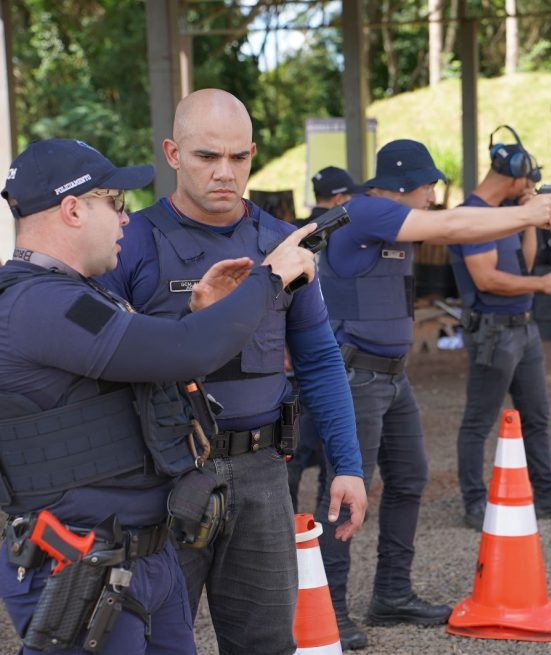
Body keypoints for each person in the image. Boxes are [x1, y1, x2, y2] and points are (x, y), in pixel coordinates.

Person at [0, 138, 319, 654]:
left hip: (142, 557)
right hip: (81, 566)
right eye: (115, 203)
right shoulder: (39, 304)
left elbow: (151, 368)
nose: (126, 219)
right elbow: (184, 352)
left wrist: (198, 315)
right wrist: (271, 277)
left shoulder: (80, 294)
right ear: (73, 209)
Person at [99, 89, 368, 655]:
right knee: (150, 641)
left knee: (267, 643)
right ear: (172, 154)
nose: (225, 172)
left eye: (238, 158)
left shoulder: (280, 243)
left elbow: (319, 360)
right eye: (206, 157)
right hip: (162, 475)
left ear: (252, 154)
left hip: (261, 475)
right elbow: (100, 366)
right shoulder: (129, 243)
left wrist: (347, 463)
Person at [315, 137, 551, 648]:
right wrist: (527, 215)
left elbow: (458, 222)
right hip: (355, 375)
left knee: (410, 478)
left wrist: (523, 217)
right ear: (405, 184)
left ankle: (390, 594)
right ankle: (329, 609)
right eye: (430, 185)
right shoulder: (364, 212)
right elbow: (454, 225)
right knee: (342, 494)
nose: (434, 195)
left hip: (390, 374)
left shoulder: (390, 217)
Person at [447, 127, 551, 531]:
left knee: (537, 415)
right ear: (514, 173)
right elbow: (487, 279)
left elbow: (525, 263)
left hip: (521, 327)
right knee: (479, 420)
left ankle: (545, 493)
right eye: (528, 179)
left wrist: (529, 218)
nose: (531, 185)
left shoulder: (506, 212)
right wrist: (542, 286)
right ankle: (474, 503)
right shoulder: (474, 214)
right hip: (493, 329)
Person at [288, 165, 365, 511]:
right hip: (325, 352)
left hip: (298, 354)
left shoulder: (290, 235)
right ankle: (316, 520)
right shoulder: (341, 233)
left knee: (294, 453)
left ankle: (291, 523)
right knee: (315, 450)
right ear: (338, 199)